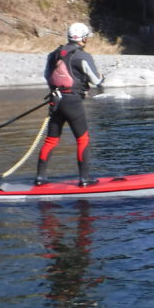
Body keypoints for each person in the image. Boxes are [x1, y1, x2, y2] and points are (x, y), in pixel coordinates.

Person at [35, 22, 104, 187]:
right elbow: (96, 80)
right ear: (83, 38)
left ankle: (39, 178)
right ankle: (84, 179)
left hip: (56, 101)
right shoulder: (82, 56)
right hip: (72, 102)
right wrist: (101, 78)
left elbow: (48, 76)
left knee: (51, 140)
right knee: (83, 139)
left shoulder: (53, 54)